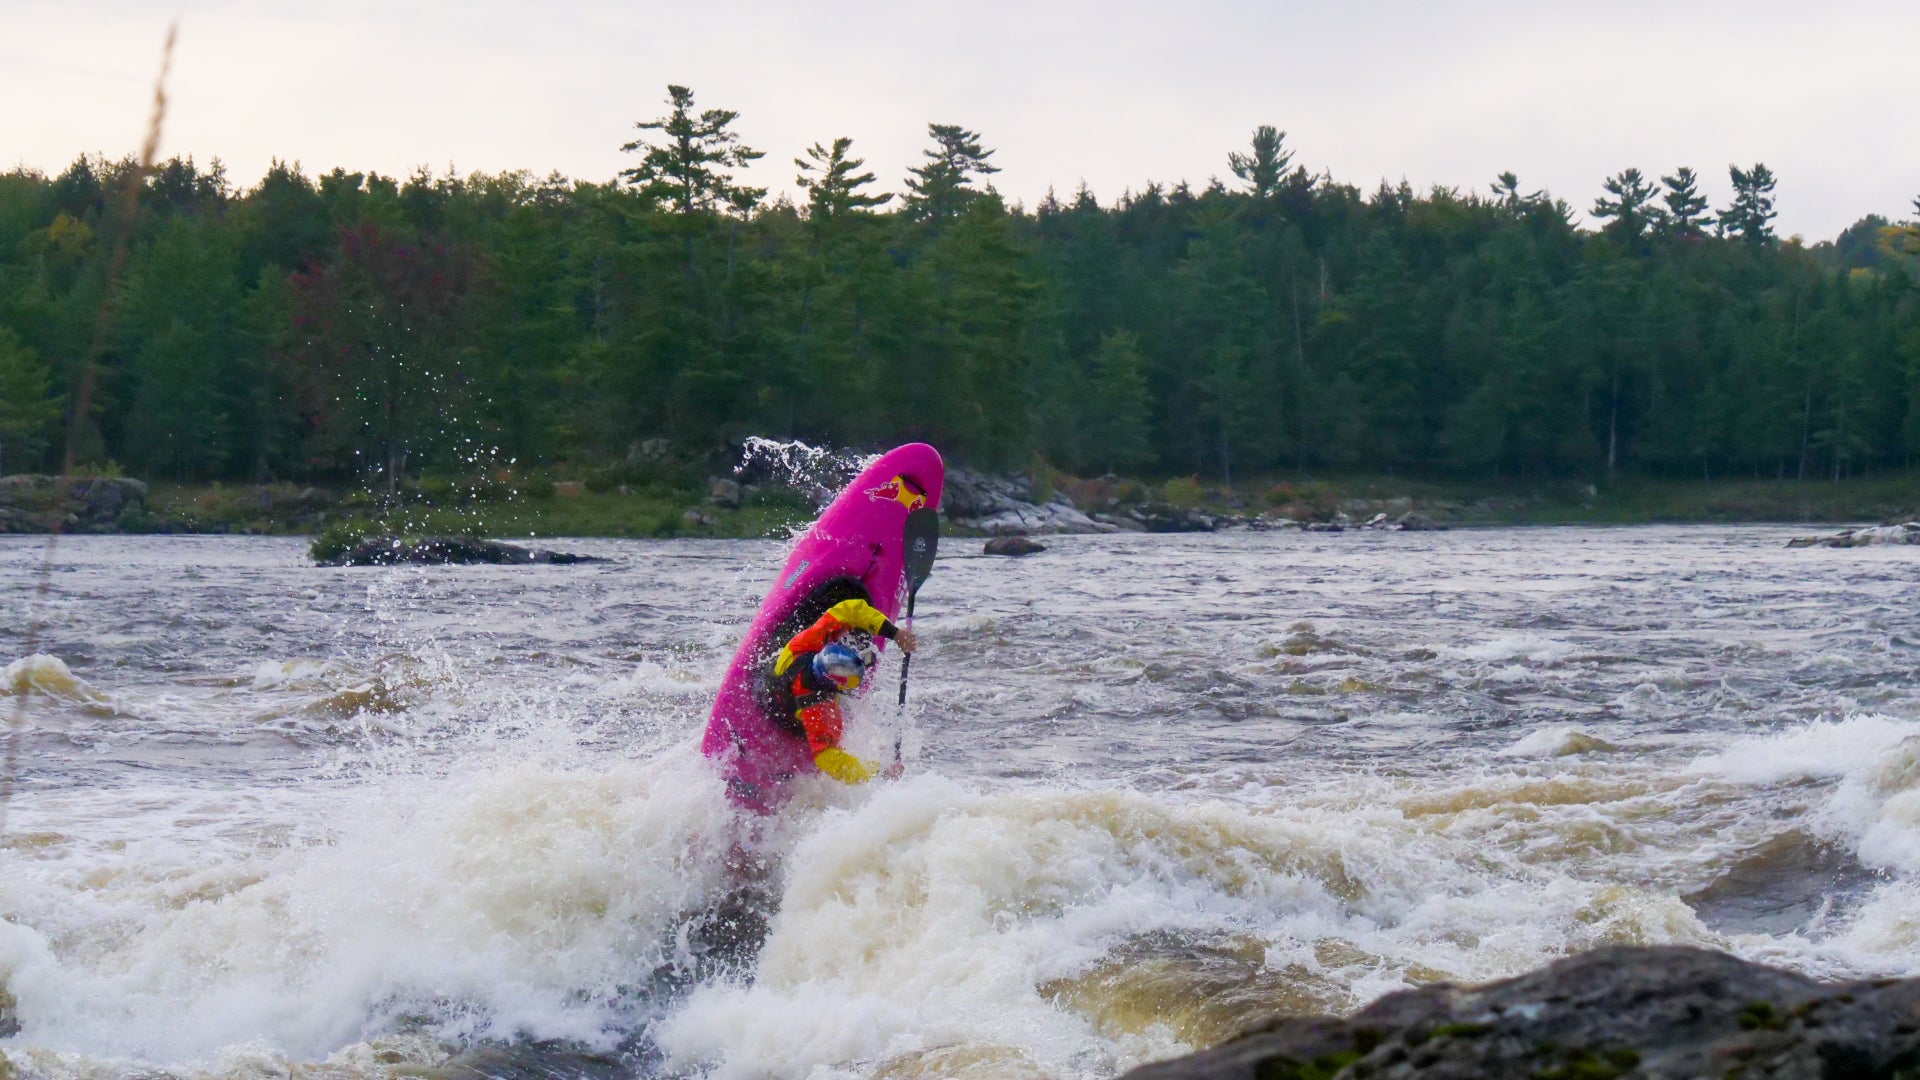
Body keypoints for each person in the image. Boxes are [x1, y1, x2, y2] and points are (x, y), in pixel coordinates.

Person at [765, 597, 918, 784]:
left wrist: (894, 634)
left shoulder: (809, 641)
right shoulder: (817, 706)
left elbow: (849, 609)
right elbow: (826, 758)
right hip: (783, 707)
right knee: (831, 734)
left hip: (782, 670)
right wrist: (880, 772)